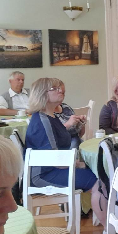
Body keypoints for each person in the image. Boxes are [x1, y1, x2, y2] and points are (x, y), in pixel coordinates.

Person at [24, 78, 105, 225]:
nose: (60, 90)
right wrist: (81, 165)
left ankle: (103, 218)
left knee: (98, 173)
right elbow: (55, 159)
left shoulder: (51, 116)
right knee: (99, 182)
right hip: (43, 175)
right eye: (54, 89)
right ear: (42, 94)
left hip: (53, 169)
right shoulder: (43, 121)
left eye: (59, 88)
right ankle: (108, 227)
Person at [53, 82, 87, 149]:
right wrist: (68, 124)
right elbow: (53, 135)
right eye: (60, 93)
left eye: (63, 93)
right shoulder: (48, 114)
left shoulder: (66, 107)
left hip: (76, 141)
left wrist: (81, 123)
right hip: (63, 147)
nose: (63, 96)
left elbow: (80, 134)